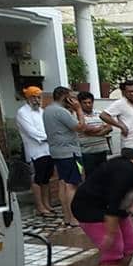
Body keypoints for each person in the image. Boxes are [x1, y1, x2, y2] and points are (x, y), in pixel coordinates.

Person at [101, 80, 133, 210]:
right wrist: (120, 125)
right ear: (124, 92)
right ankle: (129, 205)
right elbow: (104, 115)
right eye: (129, 92)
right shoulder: (120, 104)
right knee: (129, 176)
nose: (132, 94)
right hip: (130, 145)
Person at [43, 86, 87, 227]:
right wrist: (79, 110)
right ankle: (74, 218)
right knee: (72, 185)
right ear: (65, 97)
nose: (73, 100)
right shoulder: (61, 111)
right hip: (69, 152)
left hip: (57, 152)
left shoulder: (47, 110)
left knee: (63, 183)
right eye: (71, 97)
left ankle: (67, 217)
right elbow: (80, 127)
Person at [15, 86, 54, 216]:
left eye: (38, 97)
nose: (37, 100)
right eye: (34, 97)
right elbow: (31, 132)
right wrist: (48, 137)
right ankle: (40, 206)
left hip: (48, 150)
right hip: (35, 151)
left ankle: (47, 204)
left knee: (46, 178)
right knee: (37, 179)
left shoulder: (42, 111)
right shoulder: (22, 112)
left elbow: (49, 127)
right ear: (28, 98)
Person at [77, 91, 113, 179]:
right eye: (85, 103)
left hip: (101, 150)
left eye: (90, 102)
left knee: (103, 176)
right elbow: (85, 129)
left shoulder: (99, 114)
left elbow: (109, 128)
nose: (88, 105)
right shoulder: (78, 116)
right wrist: (101, 128)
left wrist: (96, 133)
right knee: (91, 177)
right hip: (87, 152)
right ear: (80, 104)